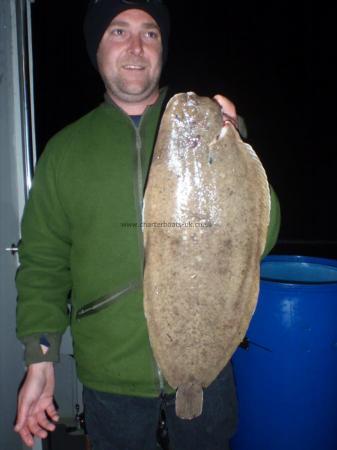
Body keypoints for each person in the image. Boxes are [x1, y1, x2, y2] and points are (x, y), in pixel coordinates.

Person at [14, 1, 281, 449]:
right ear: (96, 48)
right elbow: (43, 263)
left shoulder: (213, 128)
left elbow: (260, 239)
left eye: (150, 33)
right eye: (118, 32)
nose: (136, 46)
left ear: (163, 48)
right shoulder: (64, 153)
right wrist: (40, 357)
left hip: (210, 367)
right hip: (111, 380)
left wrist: (236, 145)